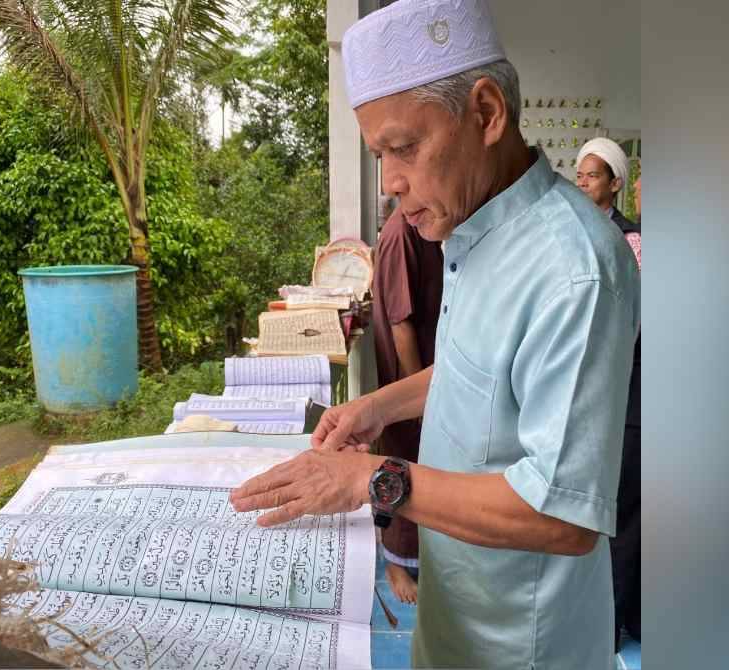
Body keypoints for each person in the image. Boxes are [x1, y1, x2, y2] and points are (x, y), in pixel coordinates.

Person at [230, 1, 640, 667]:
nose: (391, 183)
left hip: (522, 646)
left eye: (405, 147)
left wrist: (374, 480)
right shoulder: (472, 228)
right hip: (457, 619)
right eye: (378, 154)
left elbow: (561, 517)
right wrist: (374, 407)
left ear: (486, 114)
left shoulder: (575, 270)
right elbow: (476, 373)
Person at [577, 140, 642, 650]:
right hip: (593, 392)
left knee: (623, 510)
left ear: (614, 184)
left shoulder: (631, 242)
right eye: (578, 174)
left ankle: (618, 621)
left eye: (592, 176)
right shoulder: (573, 235)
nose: (582, 182)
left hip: (629, 394)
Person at [371, 200, 443, 603]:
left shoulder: (425, 225)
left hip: (428, 374)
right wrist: (420, 396)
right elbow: (401, 324)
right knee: (401, 469)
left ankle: (417, 554)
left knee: (423, 468)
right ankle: (396, 562)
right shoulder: (401, 234)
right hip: (410, 379)